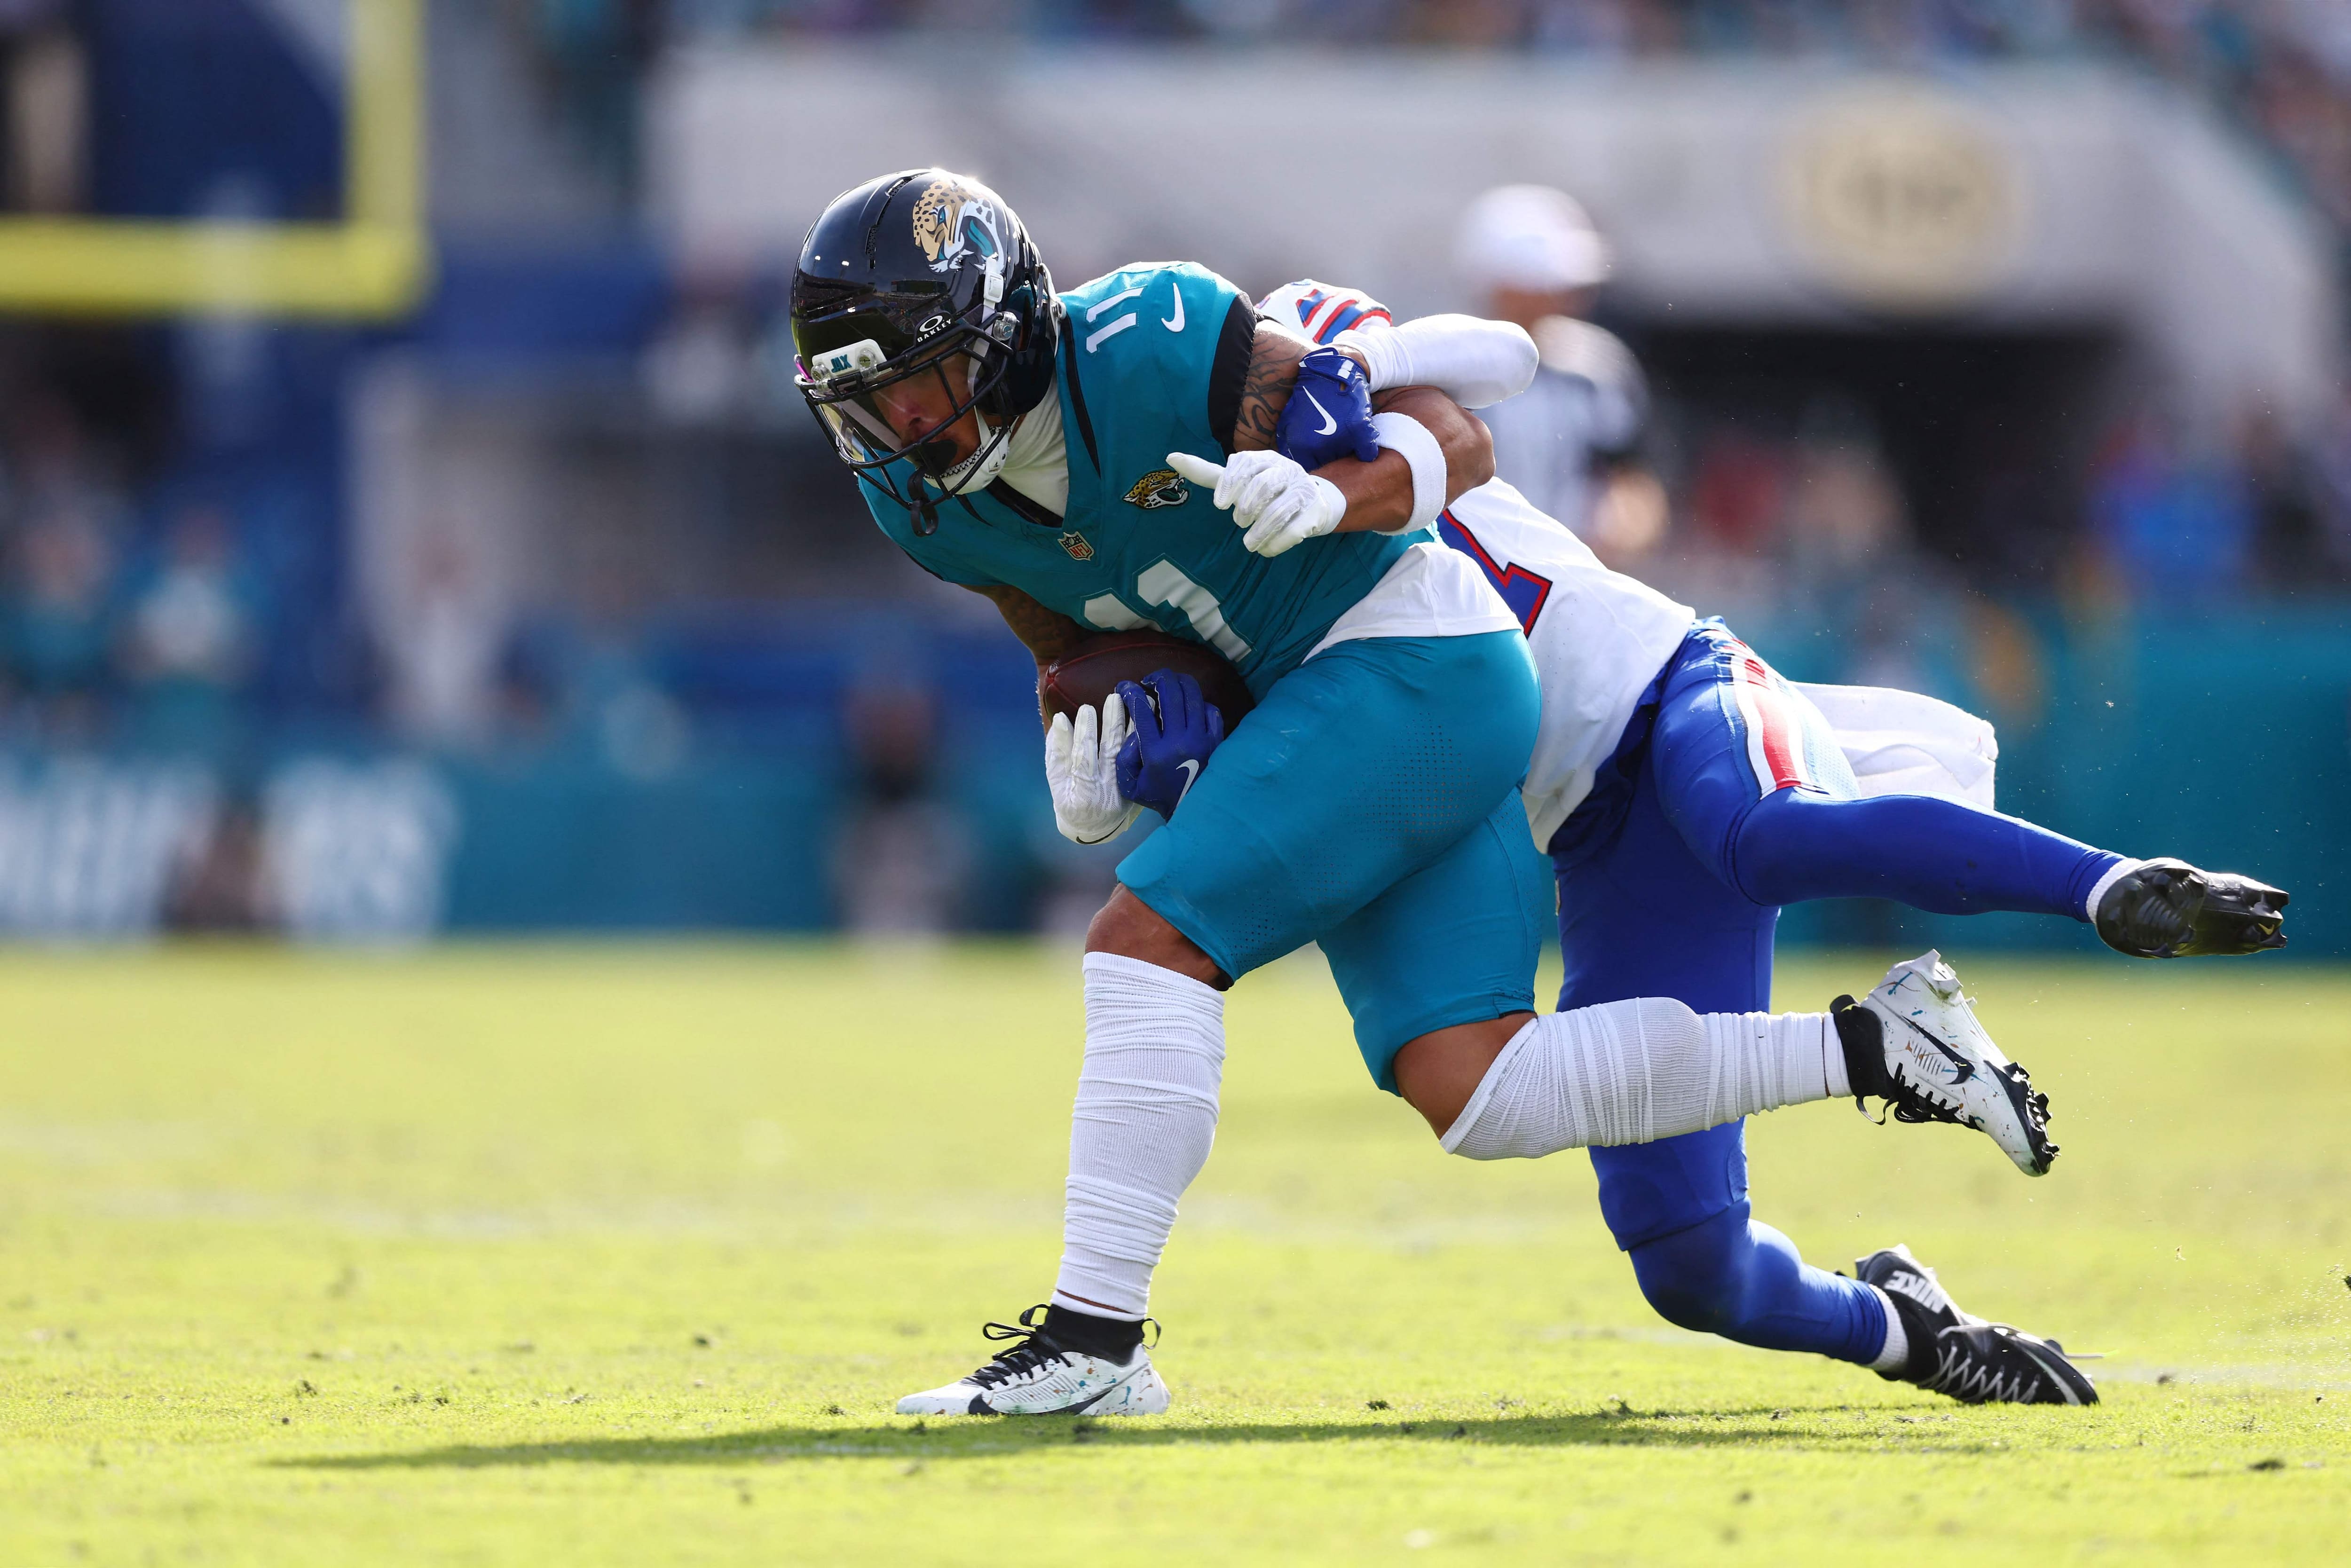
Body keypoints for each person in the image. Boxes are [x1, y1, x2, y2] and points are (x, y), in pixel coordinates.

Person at [789, 171, 2048, 1418]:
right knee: (1481, 1087)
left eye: (921, 381)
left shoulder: (1154, 341)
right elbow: (1073, 636)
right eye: (865, 400)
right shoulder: (919, 502)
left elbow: (1453, 435)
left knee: (1146, 941)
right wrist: (1087, 733)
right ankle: (1882, 1048)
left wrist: (1332, 492)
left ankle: (1093, 1338)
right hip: (1324, 704)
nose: (900, 423)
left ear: (1008, 335)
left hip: (1413, 649)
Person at [1157, 277, 2290, 1407]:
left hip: (1666, 685)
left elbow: (1499, 356)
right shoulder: (1184, 567)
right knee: (1689, 1262)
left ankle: (2112, 889)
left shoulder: (1313, 373)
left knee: (1762, 833)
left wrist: (1350, 379)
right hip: (1592, 829)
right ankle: (1911, 1328)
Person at [1453, 185, 1664, 560]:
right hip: (1468, 571)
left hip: (1572, 570)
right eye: (1542, 281)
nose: (1565, 293)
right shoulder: (1448, 371)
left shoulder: (1596, 368)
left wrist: (1624, 526)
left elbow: (1632, 477)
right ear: (1500, 284)